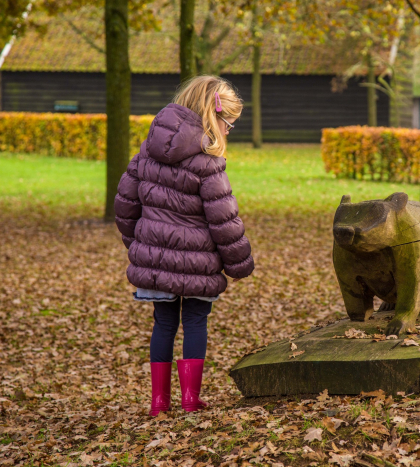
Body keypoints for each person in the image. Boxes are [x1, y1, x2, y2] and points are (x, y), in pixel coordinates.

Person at [113, 75, 254, 416]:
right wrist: (240, 264)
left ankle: (159, 401)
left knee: (163, 324)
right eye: (229, 125)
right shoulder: (208, 163)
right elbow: (224, 221)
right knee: (194, 323)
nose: (228, 133)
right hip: (198, 265)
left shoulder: (145, 154)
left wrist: (142, 247)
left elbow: (124, 207)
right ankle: (190, 398)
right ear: (214, 117)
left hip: (157, 263)